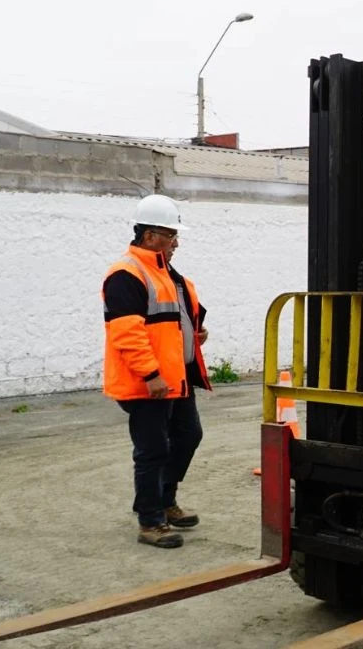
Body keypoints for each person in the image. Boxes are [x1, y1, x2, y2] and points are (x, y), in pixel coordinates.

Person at [101, 194, 212, 549]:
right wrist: (151, 375)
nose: (177, 242)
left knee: (187, 436)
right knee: (152, 451)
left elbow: (175, 319)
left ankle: (165, 501)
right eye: (171, 235)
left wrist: (195, 335)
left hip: (176, 378)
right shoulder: (126, 274)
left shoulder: (166, 273)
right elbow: (126, 332)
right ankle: (150, 521)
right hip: (150, 383)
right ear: (150, 236)